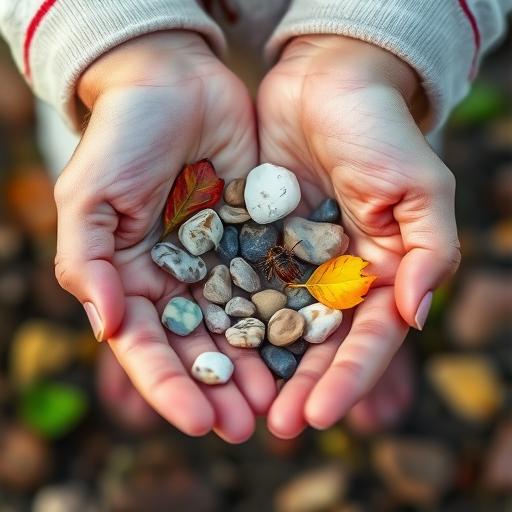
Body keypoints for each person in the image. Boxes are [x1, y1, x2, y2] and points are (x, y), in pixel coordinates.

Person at [1, 0, 510, 443]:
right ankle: (131, 295)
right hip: (129, 103)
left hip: (361, 104)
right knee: (119, 210)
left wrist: (368, 59)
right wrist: (128, 61)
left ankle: (355, 310)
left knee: (381, 220)